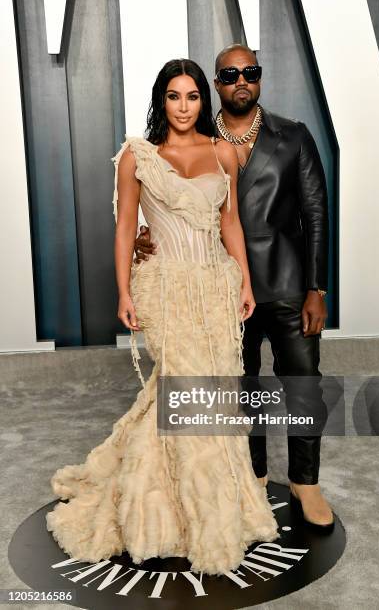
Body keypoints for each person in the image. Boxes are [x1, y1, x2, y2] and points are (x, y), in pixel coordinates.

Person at [45, 58, 280, 577]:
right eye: (173, 97)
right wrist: (125, 292)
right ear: (161, 101)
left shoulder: (224, 152)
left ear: (203, 101)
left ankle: (207, 508)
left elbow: (231, 221)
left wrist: (243, 279)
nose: (183, 106)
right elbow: (127, 225)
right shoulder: (138, 157)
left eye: (192, 96)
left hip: (216, 287)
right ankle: (176, 517)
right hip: (167, 289)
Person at [134, 44, 334, 530]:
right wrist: (149, 235)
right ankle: (254, 476)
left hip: (287, 285)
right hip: (221, 288)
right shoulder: (198, 140)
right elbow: (177, 204)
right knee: (239, 390)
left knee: (304, 385)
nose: (241, 80)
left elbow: (315, 214)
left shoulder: (294, 136)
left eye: (251, 72)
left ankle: (306, 482)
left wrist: (317, 289)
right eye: (229, 74)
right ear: (215, 86)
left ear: (259, 79)